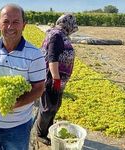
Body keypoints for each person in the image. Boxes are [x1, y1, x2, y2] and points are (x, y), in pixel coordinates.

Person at [0, 4, 46, 150]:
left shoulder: (35, 55)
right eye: (5, 21)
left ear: (24, 25)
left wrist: (16, 103)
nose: (10, 26)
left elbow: (39, 88)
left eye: (16, 22)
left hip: (18, 126)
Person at [35, 13, 79, 145]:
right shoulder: (56, 35)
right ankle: (40, 134)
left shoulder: (61, 34)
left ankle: (48, 129)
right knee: (48, 107)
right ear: (67, 24)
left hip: (57, 79)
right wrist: (56, 79)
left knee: (55, 105)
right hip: (51, 78)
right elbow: (52, 58)